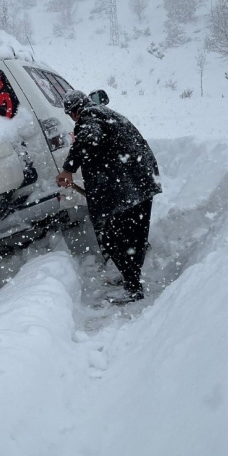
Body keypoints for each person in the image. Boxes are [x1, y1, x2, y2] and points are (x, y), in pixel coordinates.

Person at [56, 90, 161, 304]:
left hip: (126, 187)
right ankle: (132, 279)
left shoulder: (90, 118)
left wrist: (68, 169)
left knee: (113, 236)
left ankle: (133, 288)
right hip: (141, 181)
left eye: (70, 114)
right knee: (135, 235)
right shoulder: (106, 113)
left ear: (74, 112)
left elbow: (89, 139)